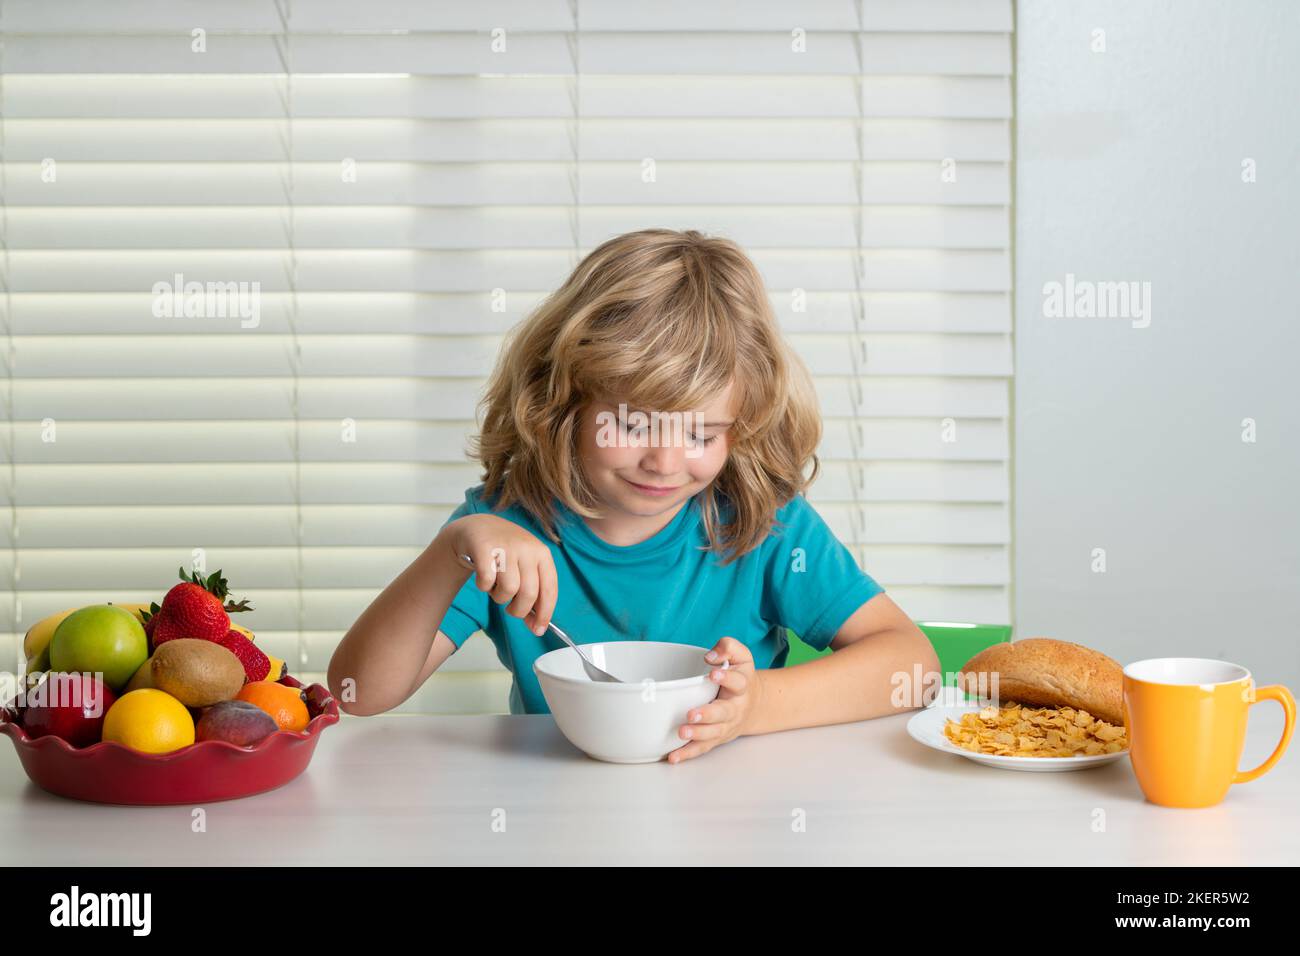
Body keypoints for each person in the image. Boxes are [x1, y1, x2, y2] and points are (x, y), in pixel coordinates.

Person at [329, 228, 941, 763]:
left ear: (742, 424)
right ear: (562, 405)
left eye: (700, 433)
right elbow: (360, 692)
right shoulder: (500, 529)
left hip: (737, 818)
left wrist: (755, 708)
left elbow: (912, 668)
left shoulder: (762, 523)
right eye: (632, 424)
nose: (665, 461)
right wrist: (449, 552)